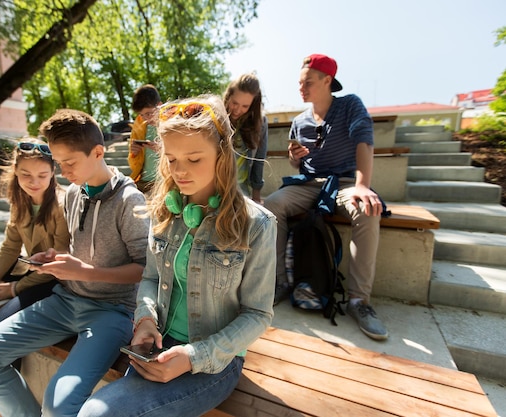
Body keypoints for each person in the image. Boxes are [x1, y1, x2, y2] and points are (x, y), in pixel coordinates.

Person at [77, 95, 277, 417]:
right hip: (158, 346)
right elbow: (151, 278)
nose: (180, 171)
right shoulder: (165, 212)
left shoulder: (257, 225)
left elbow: (257, 314)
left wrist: (194, 357)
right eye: (171, 159)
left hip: (215, 360)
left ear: (222, 155)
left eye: (194, 159)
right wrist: (144, 319)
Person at [0, 109, 150, 417]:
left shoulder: (129, 201)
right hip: (64, 301)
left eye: (69, 162)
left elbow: (145, 270)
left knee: (58, 407)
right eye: (59, 163)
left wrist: (85, 271)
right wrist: (55, 258)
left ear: (98, 152)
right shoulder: (72, 193)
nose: (63, 170)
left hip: (111, 313)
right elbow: (76, 250)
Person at [264, 54, 389, 341]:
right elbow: (297, 165)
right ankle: (282, 283)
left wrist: (362, 185)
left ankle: (359, 300)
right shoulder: (299, 121)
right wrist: (294, 159)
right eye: (299, 83)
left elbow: (364, 143)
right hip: (309, 183)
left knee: (368, 209)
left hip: (345, 182)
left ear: (327, 81)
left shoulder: (350, 105)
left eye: (307, 82)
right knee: (271, 206)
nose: (301, 88)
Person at [0, 138, 70, 329]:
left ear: (52, 173)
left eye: (42, 175)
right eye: (26, 174)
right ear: (16, 170)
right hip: (28, 269)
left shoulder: (62, 205)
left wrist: (14, 288)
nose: (34, 182)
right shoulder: (20, 202)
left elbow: (58, 264)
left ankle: (7, 299)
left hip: (52, 280)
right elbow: (9, 248)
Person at [222, 73, 268, 203]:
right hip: (217, 189)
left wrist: (257, 196)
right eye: (234, 103)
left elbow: (259, 160)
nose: (237, 110)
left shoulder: (260, 123)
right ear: (228, 97)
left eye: (245, 106)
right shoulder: (217, 119)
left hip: (242, 192)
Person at [128, 84, 163, 193]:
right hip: (143, 181)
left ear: (160, 105)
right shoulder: (139, 125)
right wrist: (134, 153)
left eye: (149, 113)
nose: (146, 118)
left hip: (164, 182)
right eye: (142, 115)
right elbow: (133, 164)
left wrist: (162, 150)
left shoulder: (171, 123)